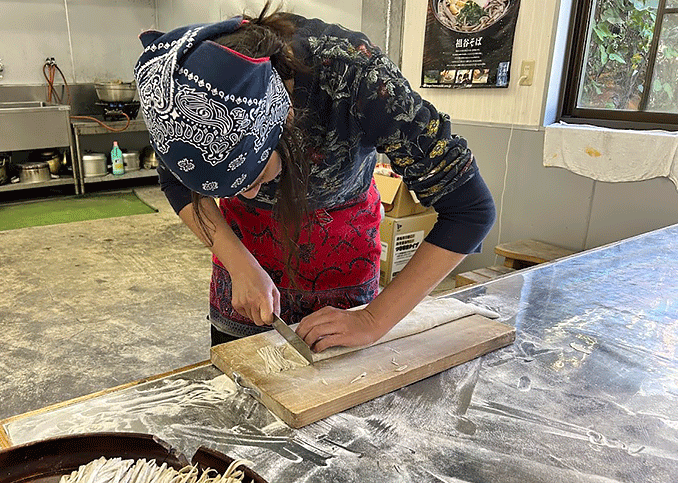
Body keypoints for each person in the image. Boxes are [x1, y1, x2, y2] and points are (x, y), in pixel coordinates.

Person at [135, 3, 495, 352]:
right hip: (246, 257)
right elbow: (177, 183)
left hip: (342, 258)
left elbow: (470, 210)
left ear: (288, 117)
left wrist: (373, 320)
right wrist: (235, 259)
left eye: (256, 175)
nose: (246, 195)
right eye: (232, 188)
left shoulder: (358, 79)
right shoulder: (182, 93)